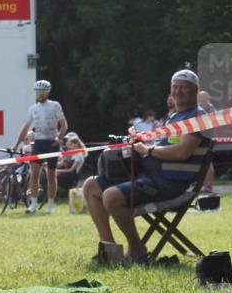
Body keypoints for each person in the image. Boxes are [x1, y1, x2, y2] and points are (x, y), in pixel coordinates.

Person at [83, 69, 212, 263]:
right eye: (174, 87)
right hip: (149, 175)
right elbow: (161, 145)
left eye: (183, 87)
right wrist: (138, 142)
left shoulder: (197, 118)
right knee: (90, 186)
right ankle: (109, 251)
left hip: (170, 184)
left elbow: (182, 152)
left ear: (195, 90)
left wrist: (148, 151)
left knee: (111, 196)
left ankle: (137, 250)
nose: (177, 91)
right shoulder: (173, 117)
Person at [14, 80, 67, 214]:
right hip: (38, 143)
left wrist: (59, 137)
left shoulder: (55, 105)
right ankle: (33, 205)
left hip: (52, 143)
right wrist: (16, 144)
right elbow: (25, 128)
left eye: (43, 92)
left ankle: (50, 205)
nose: (40, 95)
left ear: (47, 93)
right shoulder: (33, 108)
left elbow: (64, 124)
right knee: (34, 174)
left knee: (51, 175)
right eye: (38, 92)